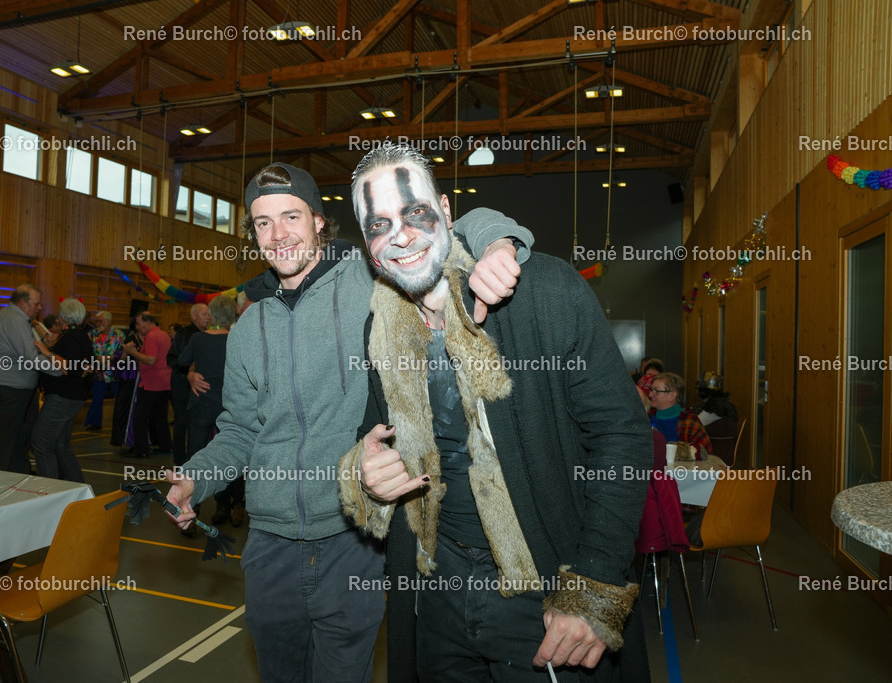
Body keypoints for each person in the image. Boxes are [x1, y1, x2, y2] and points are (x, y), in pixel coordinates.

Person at [164, 160, 533, 682]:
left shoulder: (370, 282)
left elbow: (450, 227)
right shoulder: (249, 329)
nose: (278, 234)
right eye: (263, 223)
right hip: (268, 548)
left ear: (318, 220)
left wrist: (501, 242)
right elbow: (240, 431)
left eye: (291, 217)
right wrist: (194, 480)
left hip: (352, 540)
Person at [336, 143, 651, 681]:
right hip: (433, 588)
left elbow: (621, 435)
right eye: (379, 224)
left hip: (545, 586)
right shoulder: (379, 329)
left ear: (445, 209)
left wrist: (593, 584)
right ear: (367, 245)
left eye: (415, 214)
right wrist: (367, 472)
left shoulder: (544, 291)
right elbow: (376, 434)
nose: (401, 236)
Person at [0, 284, 62, 472]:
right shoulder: (14, 319)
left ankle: (15, 487)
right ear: (23, 303)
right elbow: (31, 358)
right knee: (0, 447)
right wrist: (65, 369)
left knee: (15, 445)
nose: (40, 308)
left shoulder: (16, 319)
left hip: (3, 391)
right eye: (37, 304)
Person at [178, 295, 239, 528]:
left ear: (212, 315)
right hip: (229, 406)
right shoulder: (236, 338)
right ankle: (229, 505)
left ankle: (191, 508)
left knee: (194, 456)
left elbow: (181, 361)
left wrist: (192, 373)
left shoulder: (198, 338)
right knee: (230, 456)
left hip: (202, 403)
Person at [32, 298, 93, 482]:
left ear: (62, 316)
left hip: (63, 397)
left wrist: (46, 352)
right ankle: (76, 487)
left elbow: (73, 368)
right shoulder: (79, 335)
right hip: (72, 396)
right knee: (60, 444)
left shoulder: (72, 336)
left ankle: (49, 492)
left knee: (41, 443)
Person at [122, 312, 172, 457]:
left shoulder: (151, 336)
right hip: (164, 381)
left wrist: (132, 352)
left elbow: (150, 360)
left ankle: (141, 449)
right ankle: (165, 444)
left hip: (151, 382)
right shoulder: (164, 334)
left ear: (148, 322)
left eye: (139, 324)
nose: (137, 327)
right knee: (160, 416)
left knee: (140, 416)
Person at [167, 303, 211, 466]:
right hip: (181, 385)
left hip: (198, 386)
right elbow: (172, 359)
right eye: (204, 314)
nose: (208, 317)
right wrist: (189, 372)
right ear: (194, 316)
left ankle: (196, 458)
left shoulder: (207, 334)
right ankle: (179, 461)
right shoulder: (184, 335)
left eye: (208, 314)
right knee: (181, 422)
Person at [647, 372, 713, 459]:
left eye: (656, 391)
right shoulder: (647, 418)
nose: (650, 394)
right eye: (651, 390)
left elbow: (704, 452)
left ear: (672, 395)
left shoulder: (689, 420)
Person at [84, 311, 126, 431]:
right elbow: (87, 350)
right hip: (98, 372)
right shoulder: (92, 335)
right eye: (96, 321)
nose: (97, 323)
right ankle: (95, 423)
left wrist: (109, 358)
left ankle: (122, 422)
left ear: (108, 322)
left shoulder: (119, 335)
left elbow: (123, 352)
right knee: (97, 398)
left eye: (100, 321)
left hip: (115, 372)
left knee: (120, 398)